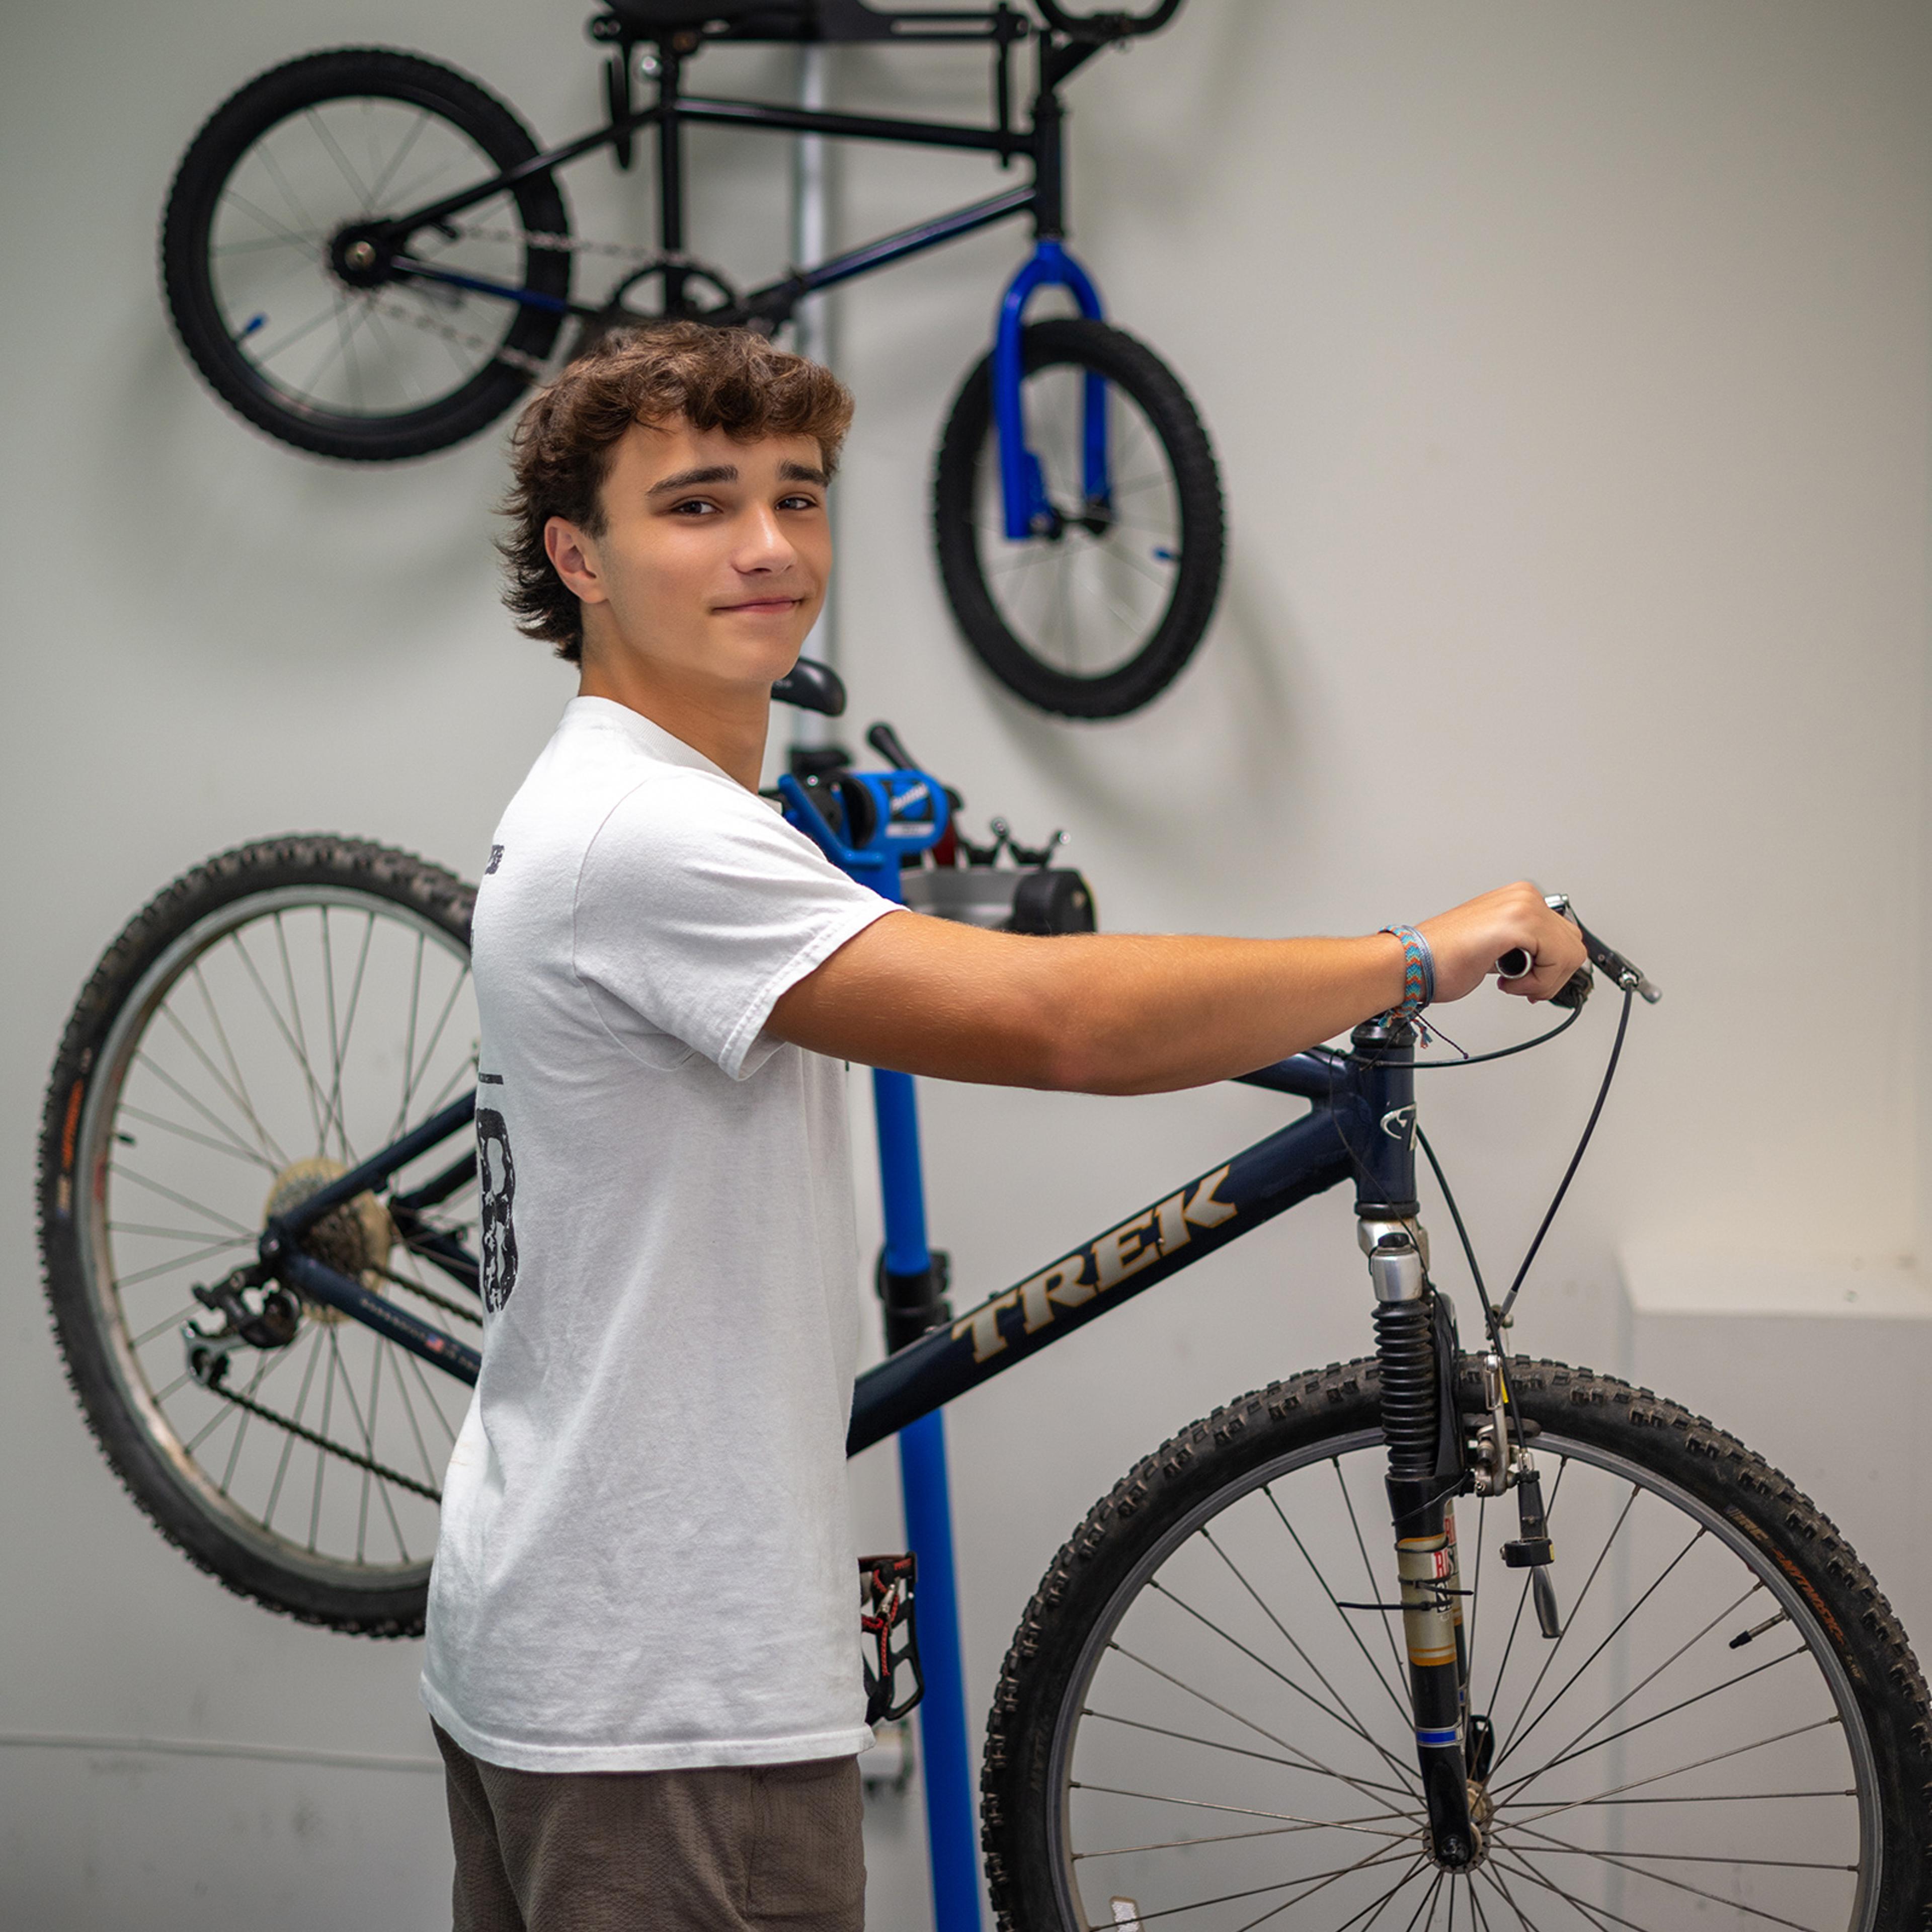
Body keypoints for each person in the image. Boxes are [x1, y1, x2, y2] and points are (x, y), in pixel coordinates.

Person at [418, 322, 1585, 1932]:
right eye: (697, 507)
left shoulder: (647, 802)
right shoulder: (648, 836)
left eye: (800, 497)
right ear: (581, 557)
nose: (770, 547)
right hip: (663, 1704)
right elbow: (1062, 1025)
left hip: (586, 1633)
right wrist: (1416, 953)